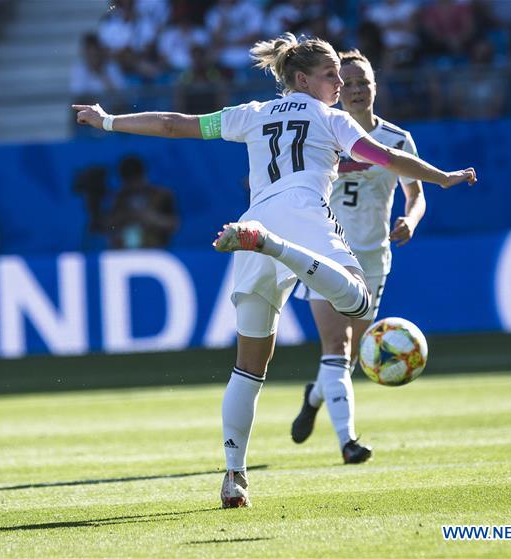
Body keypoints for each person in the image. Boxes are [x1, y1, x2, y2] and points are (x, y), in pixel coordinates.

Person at [72, 32, 476, 508]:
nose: (339, 85)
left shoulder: (253, 114)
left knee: (248, 368)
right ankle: (276, 248)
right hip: (300, 220)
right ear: (303, 79)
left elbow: (170, 123)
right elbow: (384, 157)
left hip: (252, 221)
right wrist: (442, 176)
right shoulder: (330, 118)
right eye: (331, 76)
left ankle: (233, 475)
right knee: (359, 301)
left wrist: (108, 119)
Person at [289, 49, 425, 465]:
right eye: (349, 83)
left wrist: (411, 220)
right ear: (337, 89)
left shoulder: (396, 140)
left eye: (365, 81)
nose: (358, 90)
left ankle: (314, 398)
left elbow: (415, 193)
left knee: (348, 357)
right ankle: (348, 442)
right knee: (337, 342)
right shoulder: (322, 133)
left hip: (372, 259)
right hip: (325, 251)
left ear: (375, 86)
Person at [107, 155, 179, 249]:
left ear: (143, 176)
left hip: (156, 252)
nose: (133, 186)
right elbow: (109, 227)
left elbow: (174, 225)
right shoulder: (117, 199)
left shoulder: (162, 195)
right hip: (124, 254)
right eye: (129, 182)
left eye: (136, 180)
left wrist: (153, 219)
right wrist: (122, 219)